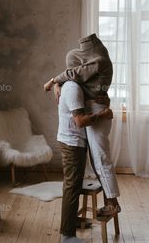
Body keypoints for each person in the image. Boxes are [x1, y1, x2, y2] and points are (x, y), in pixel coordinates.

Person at [44, 33, 120, 216]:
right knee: (97, 160)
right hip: (95, 110)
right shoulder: (89, 73)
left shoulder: (99, 61)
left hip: (97, 113)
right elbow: (75, 77)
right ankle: (111, 201)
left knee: (101, 159)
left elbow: (75, 74)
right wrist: (58, 83)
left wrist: (54, 80)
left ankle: (112, 203)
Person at [57, 67, 113, 243]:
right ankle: (67, 234)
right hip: (71, 142)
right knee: (72, 186)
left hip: (75, 141)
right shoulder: (73, 88)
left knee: (74, 184)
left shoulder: (77, 87)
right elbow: (80, 121)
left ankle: (72, 222)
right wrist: (103, 115)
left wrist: (104, 101)